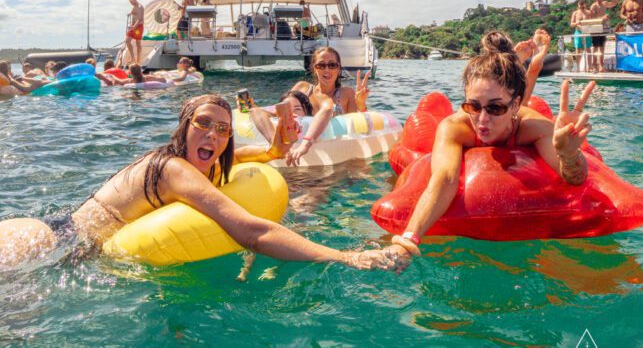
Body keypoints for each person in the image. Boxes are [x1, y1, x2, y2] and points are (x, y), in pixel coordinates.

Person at [0, 94, 403, 272]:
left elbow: (268, 154)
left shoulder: (213, 159)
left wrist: (281, 135)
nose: (212, 134)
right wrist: (343, 256)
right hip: (54, 240)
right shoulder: (174, 168)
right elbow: (251, 231)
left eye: (223, 129)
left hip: (73, 248)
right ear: (184, 128)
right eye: (203, 124)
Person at [384, 32, 595, 263]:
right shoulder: (456, 127)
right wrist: (408, 240)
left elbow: (575, 178)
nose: (483, 120)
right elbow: (444, 179)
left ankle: (516, 62)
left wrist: (569, 153)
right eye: (473, 106)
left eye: (495, 108)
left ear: (515, 105)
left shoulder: (534, 127)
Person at [286, 48, 371, 164]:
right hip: (297, 156)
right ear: (314, 68)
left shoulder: (346, 94)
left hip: (333, 159)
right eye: (321, 65)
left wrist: (361, 104)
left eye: (332, 65)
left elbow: (357, 128)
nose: (327, 69)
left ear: (338, 68)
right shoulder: (302, 89)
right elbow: (279, 112)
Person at [589, 0, 620, 72]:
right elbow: (591, 19)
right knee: (596, 48)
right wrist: (603, 18)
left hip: (603, 28)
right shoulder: (593, 6)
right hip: (595, 29)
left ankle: (601, 66)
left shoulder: (604, 3)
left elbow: (614, 3)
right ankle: (595, 66)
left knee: (602, 47)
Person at [570, 0, 592, 71]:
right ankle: (578, 68)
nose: (581, 8)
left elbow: (592, 22)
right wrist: (577, 23)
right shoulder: (575, 13)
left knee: (588, 49)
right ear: (578, 6)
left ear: (585, 5)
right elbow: (571, 24)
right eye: (580, 7)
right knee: (578, 50)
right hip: (578, 32)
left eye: (583, 7)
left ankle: (589, 67)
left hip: (587, 32)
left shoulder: (589, 12)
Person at [124, 0, 145, 65]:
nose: (131, 3)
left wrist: (134, 27)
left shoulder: (139, 6)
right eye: (130, 2)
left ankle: (138, 59)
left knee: (138, 43)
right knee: (127, 40)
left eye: (132, 1)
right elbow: (134, 13)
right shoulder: (134, 7)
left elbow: (139, 19)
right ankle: (133, 58)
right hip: (134, 26)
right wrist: (130, 13)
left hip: (138, 26)